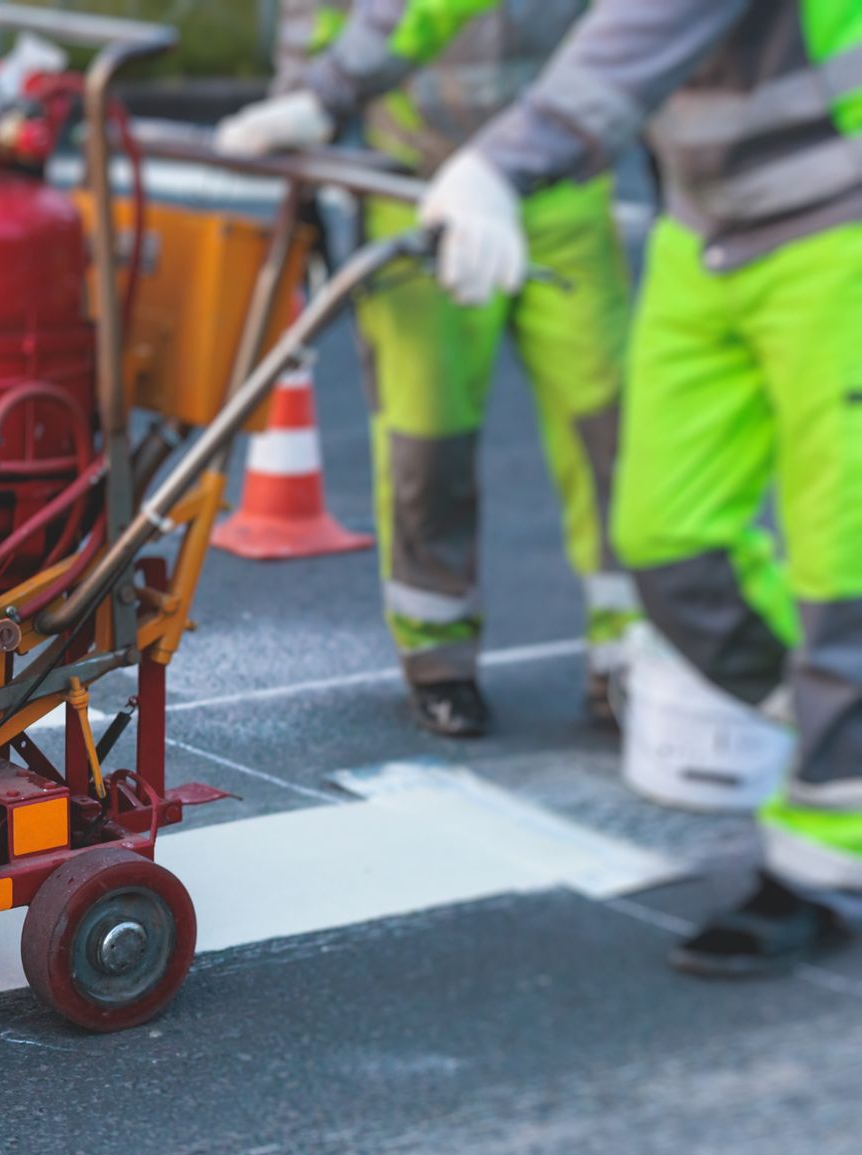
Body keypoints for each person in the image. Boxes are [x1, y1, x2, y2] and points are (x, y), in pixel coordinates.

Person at [409, 0, 862, 975]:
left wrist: (502, 161)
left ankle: (820, 867)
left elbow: (645, 26)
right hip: (707, 229)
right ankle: (839, 730)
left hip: (840, 221)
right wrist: (323, 94)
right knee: (663, 538)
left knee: (844, 573)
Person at [219, 0, 637, 738]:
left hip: (562, 185)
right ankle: (438, 658)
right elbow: (312, 20)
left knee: (611, 433)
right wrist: (301, 132)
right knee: (425, 440)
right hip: (417, 188)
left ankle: (626, 654)